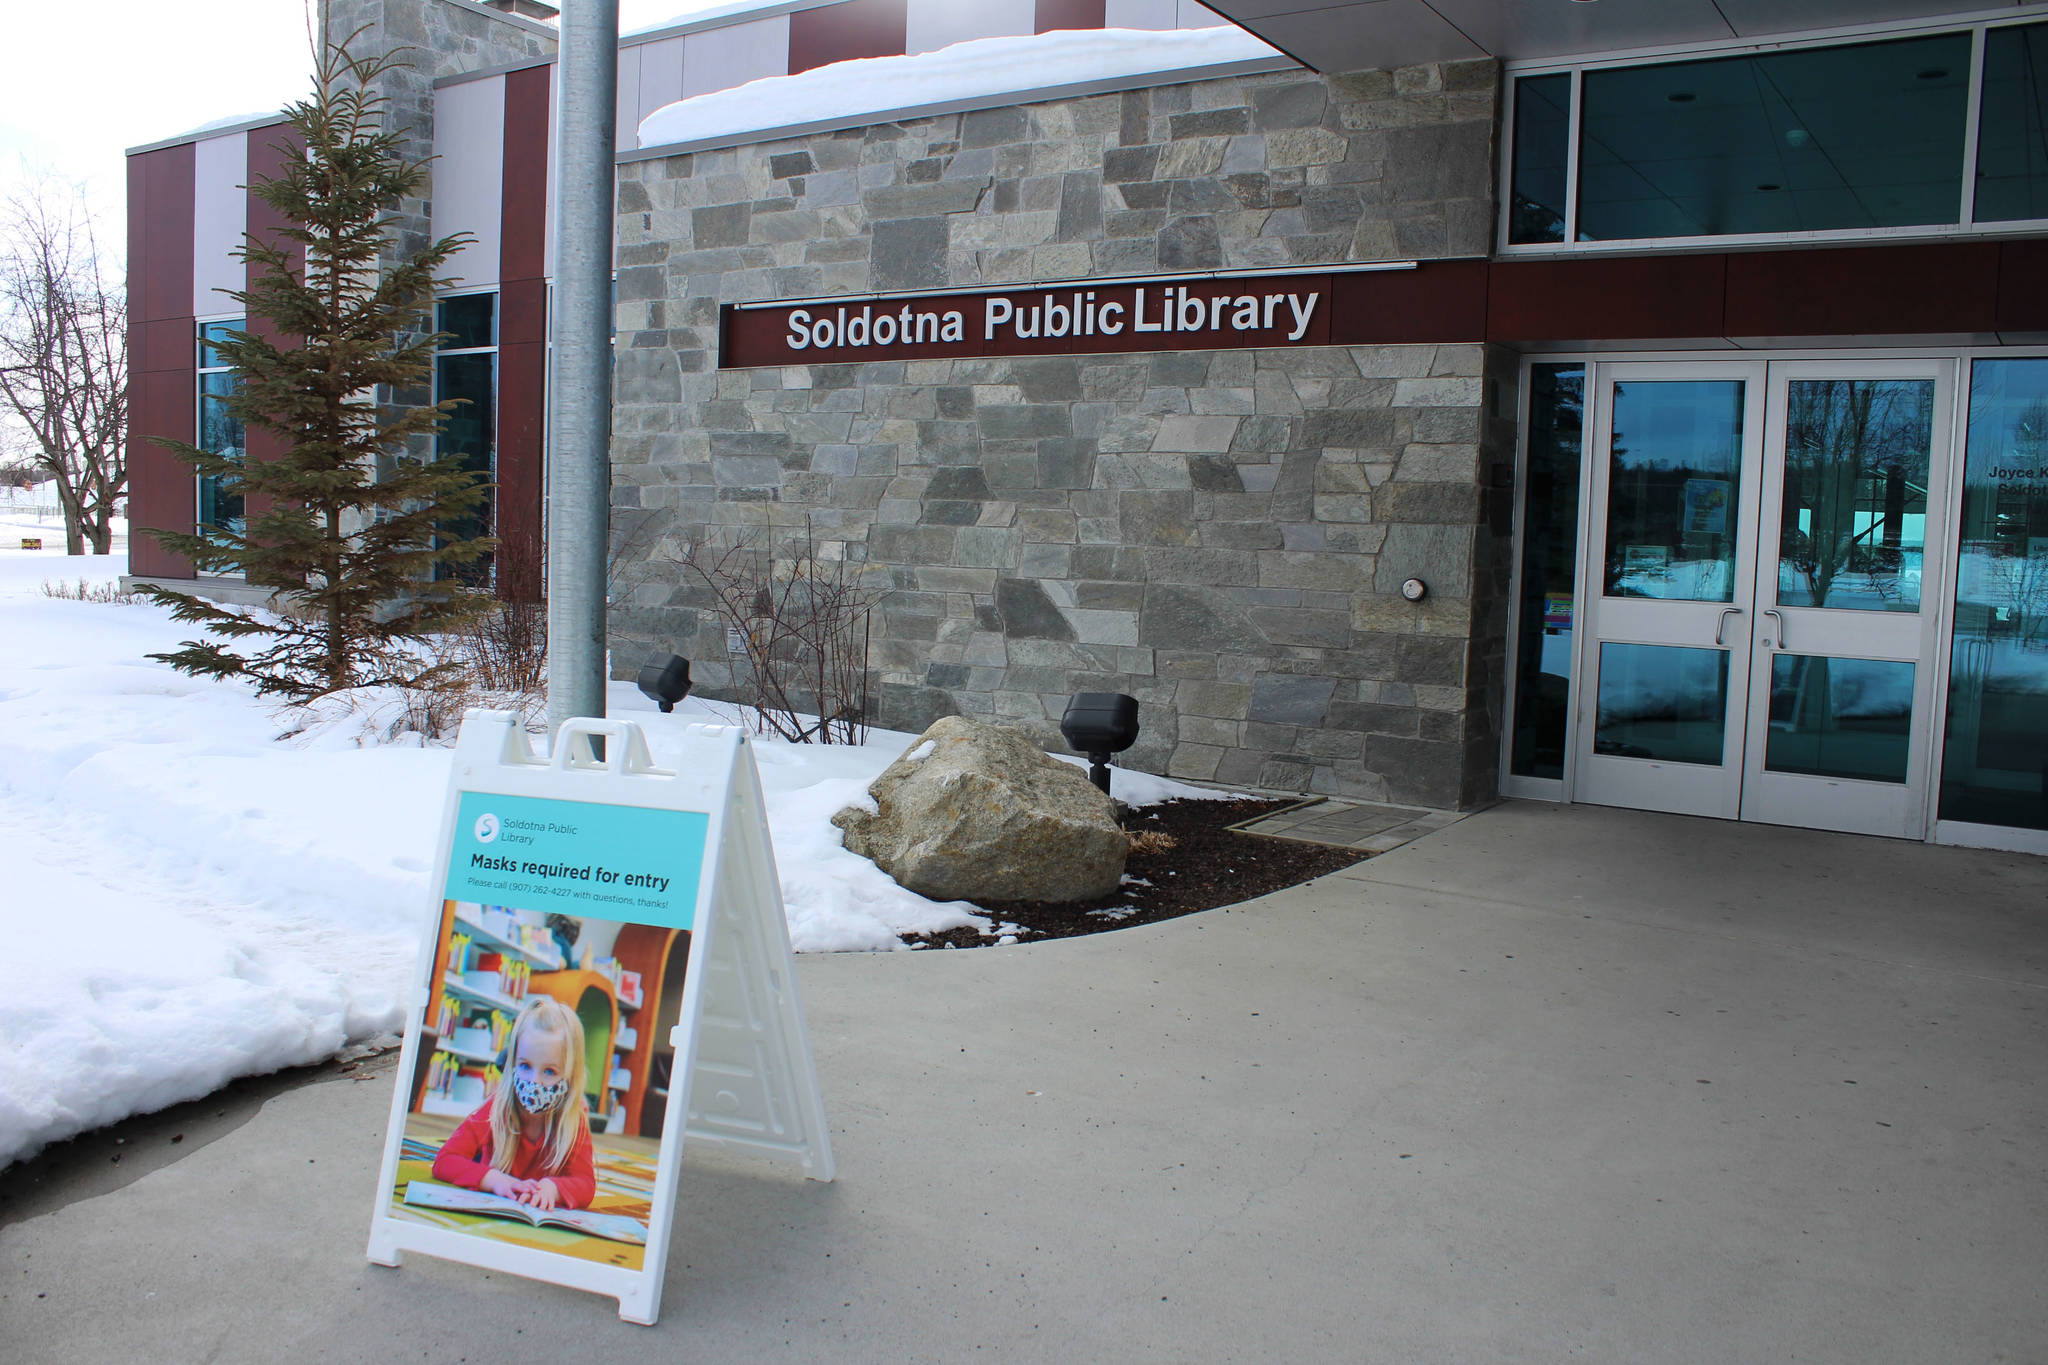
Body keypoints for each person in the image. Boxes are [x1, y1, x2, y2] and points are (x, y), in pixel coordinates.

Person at [430, 997, 596, 1211]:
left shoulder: (573, 1123)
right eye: (525, 1066)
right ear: (512, 1063)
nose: (533, 1082)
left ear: (570, 1076)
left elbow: (586, 1184)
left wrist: (552, 1188)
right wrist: (493, 1179)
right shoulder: (495, 1109)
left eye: (549, 1071)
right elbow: (445, 1161)